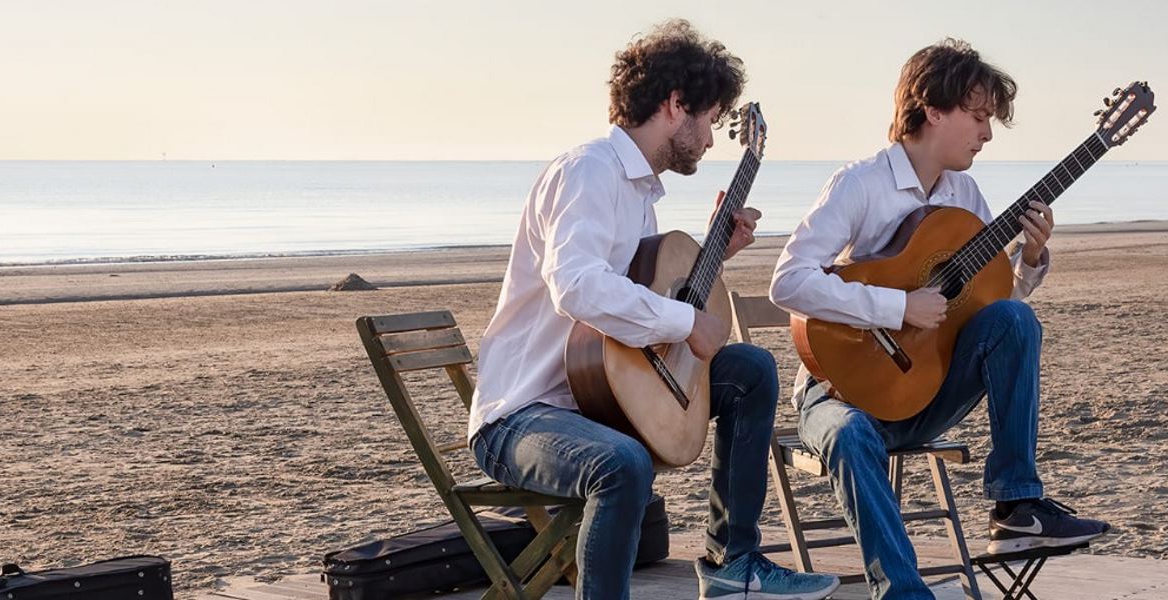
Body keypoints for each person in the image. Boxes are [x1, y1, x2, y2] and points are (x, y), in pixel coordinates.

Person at [465, 19, 839, 600]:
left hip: (599, 399)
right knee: (622, 466)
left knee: (751, 371)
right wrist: (689, 322)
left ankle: (731, 559)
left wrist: (719, 251)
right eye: (711, 120)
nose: (713, 140)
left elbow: (636, 307)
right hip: (523, 414)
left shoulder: (638, 193)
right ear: (675, 105)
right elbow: (579, 287)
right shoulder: (588, 172)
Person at [768, 39, 1109, 600]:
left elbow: (995, 303)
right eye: (978, 117)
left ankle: (1017, 506)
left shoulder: (964, 195)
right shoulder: (860, 184)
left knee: (1015, 324)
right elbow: (789, 281)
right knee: (852, 436)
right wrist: (898, 307)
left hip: (922, 394)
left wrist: (1030, 257)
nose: (987, 133)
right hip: (840, 395)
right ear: (933, 110)